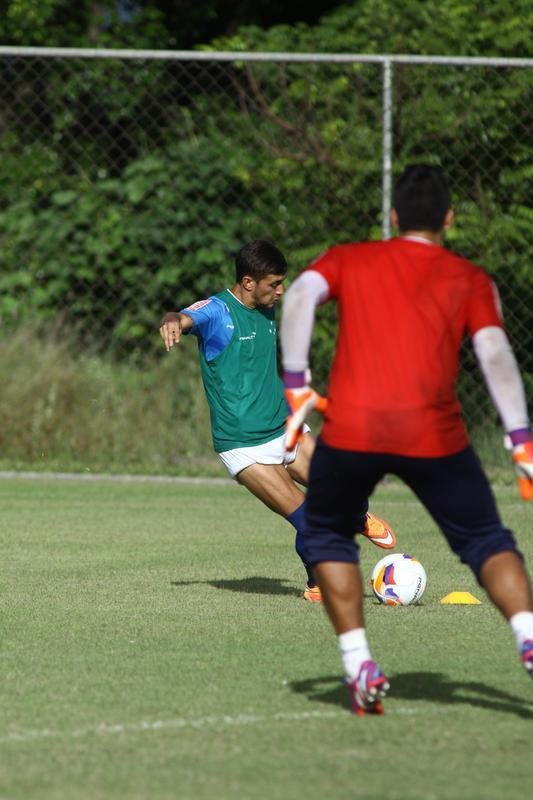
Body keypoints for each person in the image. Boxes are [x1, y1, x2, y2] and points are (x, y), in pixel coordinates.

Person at [280, 164, 533, 715]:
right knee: (485, 539)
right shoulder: (470, 278)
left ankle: (359, 664)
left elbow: (298, 296)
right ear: (449, 218)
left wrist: (296, 383)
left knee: (327, 533)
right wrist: (520, 439)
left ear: (393, 217)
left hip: (354, 428)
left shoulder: (351, 257)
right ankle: (528, 637)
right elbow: (494, 355)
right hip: (433, 432)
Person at [159, 239, 397, 603]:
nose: (280, 291)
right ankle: (317, 583)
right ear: (248, 282)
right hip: (243, 446)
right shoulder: (218, 311)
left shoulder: (266, 304)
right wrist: (172, 320)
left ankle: (359, 517)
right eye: (274, 284)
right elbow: (184, 317)